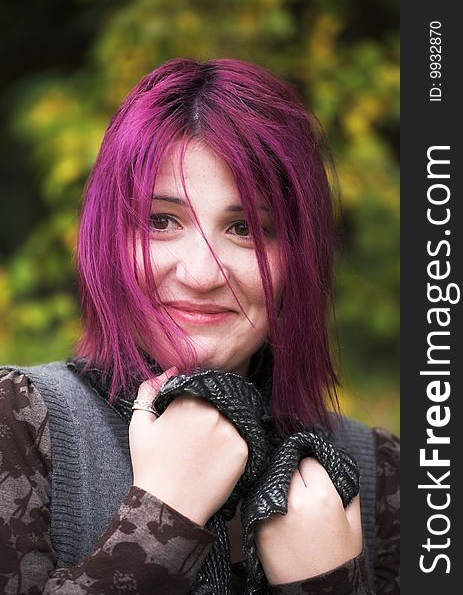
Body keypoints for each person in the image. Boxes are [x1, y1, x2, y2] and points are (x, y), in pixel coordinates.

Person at [0, 58, 399, 594]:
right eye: (162, 221)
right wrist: (164, 518)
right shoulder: (19, 428)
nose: (202, 273)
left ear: (299, 260)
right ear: (109, 238)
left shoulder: (390, 476)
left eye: (245, 228)